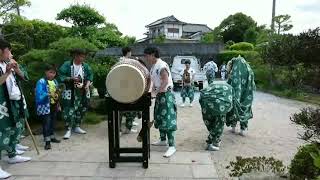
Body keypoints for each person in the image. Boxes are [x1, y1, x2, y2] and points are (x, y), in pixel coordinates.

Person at [0, 39, 31, 178]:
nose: (10, 54)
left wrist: (16, 68)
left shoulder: (7, 63)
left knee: (11, 129)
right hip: (2, 106)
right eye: (8, 51)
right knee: (1, 134)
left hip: (13, 102)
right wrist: (6, 73)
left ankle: (12, 155)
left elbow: (24, 77)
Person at [144, 47, 177, 158]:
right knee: (159, 118)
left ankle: (172, 146)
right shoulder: (154, 66)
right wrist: (151, 93)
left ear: (153, 54)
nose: (146, 58)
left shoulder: (162, 65)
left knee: (167, 119)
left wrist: (156, 93)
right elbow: (153, 82)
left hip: (166, 95)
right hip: (160, 95)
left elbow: (165, 81)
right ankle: (163, 140)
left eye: (147, 55)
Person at [59, 48, 93, 139]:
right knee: (68, 110)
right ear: (76, 56)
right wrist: (70, 78)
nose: (82, 58)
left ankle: (77, 126)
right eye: (81, 56)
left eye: (83, 56)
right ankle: (68, 129)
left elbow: (90, 76)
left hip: (82, 91)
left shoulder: (85, 66)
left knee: (82, 108)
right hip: (70, 91)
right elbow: (60, 75)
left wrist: (88, 84)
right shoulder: (67, 64)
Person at [199, 81, 233, 151]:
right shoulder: (229, 90)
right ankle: (209, 143)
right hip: (219, 106)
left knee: (211, 123)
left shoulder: (212, 86)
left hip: (205, 102)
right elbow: (230, 104)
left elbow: (201, 98)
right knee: (219, 125)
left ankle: (216, 140)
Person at [226, 56, 255, 136]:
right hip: (246, 95)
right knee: (244, 109)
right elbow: (252, 83)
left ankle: (233, 127)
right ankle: (242, 129)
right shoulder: (248, 69)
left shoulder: (235, 71)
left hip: (237, 95)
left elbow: (229, 84)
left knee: (234, 108)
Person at [35, 64, 61, 150]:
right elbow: (38, 94)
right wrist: (48, 94)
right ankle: (47, 141)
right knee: (46, 123)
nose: (52, 74)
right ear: (46, 72)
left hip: (53, 105)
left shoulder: (55, 81)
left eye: (54, 73)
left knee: (53, 122)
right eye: (50, 72)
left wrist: (58, 104)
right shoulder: (41, 81)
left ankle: (52, 136)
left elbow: (57, 94)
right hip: (45, 106)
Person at [119, 47, 139, 134]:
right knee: (130, 107)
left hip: (122, 87)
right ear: (128, 52)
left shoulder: (120, 60)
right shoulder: (128, 61)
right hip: (128, 87)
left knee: (122, 108)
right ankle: (128, 127)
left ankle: (123, 126)